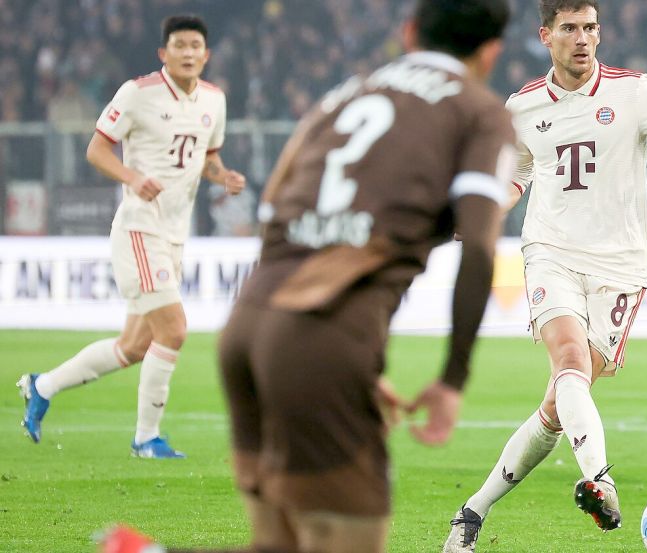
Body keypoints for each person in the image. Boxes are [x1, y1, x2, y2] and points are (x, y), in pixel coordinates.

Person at [100, 0, 515, 551]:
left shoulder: (344, 95)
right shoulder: (479, 111)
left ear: (410, 31)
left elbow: (273, 211)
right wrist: (452, 379)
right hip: (322, 339)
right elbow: (481, 249)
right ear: (491, 52)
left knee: (277, 542)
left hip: (247, 329)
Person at [443, 1, 647, 551]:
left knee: (557, 405)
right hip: (552, 251)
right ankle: (600, 478)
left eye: (590, 28)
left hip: (620, 268)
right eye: (569, 29)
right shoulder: (521, 107)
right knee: (568, 361)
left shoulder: (634, 92)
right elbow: (519, 170)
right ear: (545, 36)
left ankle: (471, 513)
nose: (582, 39)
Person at [17, 15, 246, 458]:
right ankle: (146, 438)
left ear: (206, 54)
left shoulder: (214, 101)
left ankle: (42, 387)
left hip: (177, 233)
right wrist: (132, 177)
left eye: (195, 45)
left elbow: (207, 156)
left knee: (135, 346)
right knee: (175, 329)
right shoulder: (138, 94)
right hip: (140, 228)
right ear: (164, 53)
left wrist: (223, 177)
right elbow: (97, 149)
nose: (187, 52)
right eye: (178, 45)